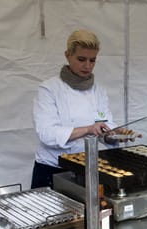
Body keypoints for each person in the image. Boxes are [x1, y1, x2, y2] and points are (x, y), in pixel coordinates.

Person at [31, 29, 127, 189]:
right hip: (51, 169)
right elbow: (47, 134)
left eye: (92, 60)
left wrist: (113, 135)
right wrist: (89, 129)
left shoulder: (98, 91)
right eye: (81, 59)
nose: (87, 66)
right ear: (67, 55)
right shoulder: (49, 89)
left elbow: (103, 125)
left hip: (87, 168)